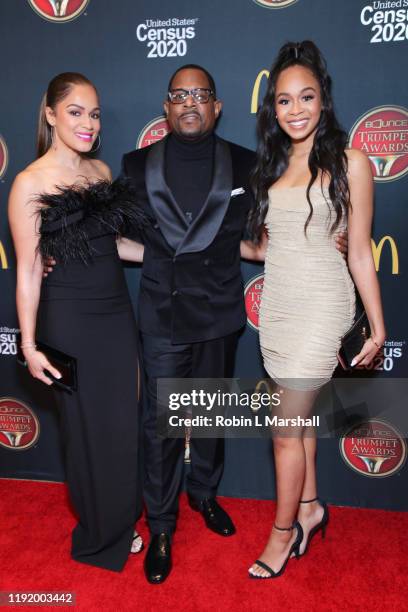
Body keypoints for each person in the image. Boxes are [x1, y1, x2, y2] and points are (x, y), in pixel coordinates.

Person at [121, 63, 348, 584]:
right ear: (167, 105)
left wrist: (323, 243)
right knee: (161, 426)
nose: (191, 103)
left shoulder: (248, 165)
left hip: (220, 311)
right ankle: (160, 524)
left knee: (209, 416)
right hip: (162, 312)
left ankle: (203, 493)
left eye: (202, 94)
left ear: (218, 106)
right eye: (181, 95)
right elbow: (125, 240)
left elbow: (264, 238)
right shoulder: (134, 167)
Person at [245, 41, 386, 579]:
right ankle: (310, 508)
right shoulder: (274, 166)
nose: (296, 109)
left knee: (284, 429)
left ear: (323, 100)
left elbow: (359, 251)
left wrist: (378, 324)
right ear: (273, 109)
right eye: (284, 100)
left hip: (323, 305)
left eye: (306, 97)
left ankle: (282, 536)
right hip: (278, 305)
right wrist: (201, 236)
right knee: (298, 425)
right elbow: (266, 247)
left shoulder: (352, 161)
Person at [8, 72, 146, 572]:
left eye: (94, 113)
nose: (88, 123)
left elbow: (114, 245)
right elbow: (27, 268)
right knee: (86, 429)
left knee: (121, 422)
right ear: (50, 113)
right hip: (69, 317)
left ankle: (124, 516)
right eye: (75, 112)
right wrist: (29, 343)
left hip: (114, 312)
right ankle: (99, 530)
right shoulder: (29, 182)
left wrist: (169, 256)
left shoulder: (101, 171)